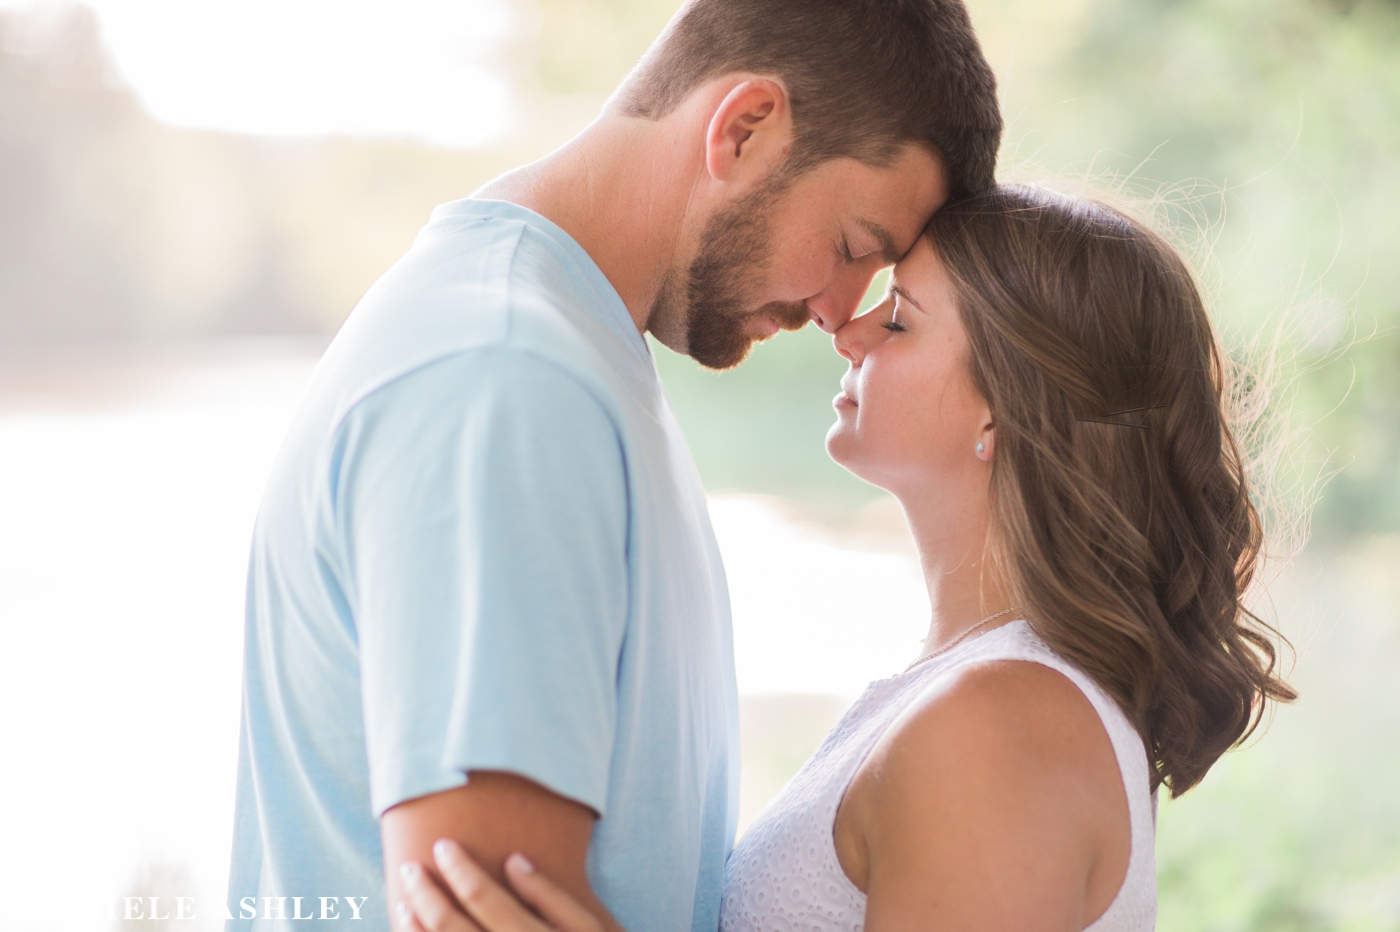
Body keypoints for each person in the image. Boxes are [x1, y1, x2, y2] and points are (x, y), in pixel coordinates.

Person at [224, 0, 1002, 929]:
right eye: (850, 249)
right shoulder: (506, 381)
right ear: (744, 127)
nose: (840, 312)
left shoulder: (569, 354)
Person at [392, 185, 1298, 932]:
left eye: (898, 320)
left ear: (1003, 410)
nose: (848, 333)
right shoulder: (969, 694)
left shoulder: (1000, 725)